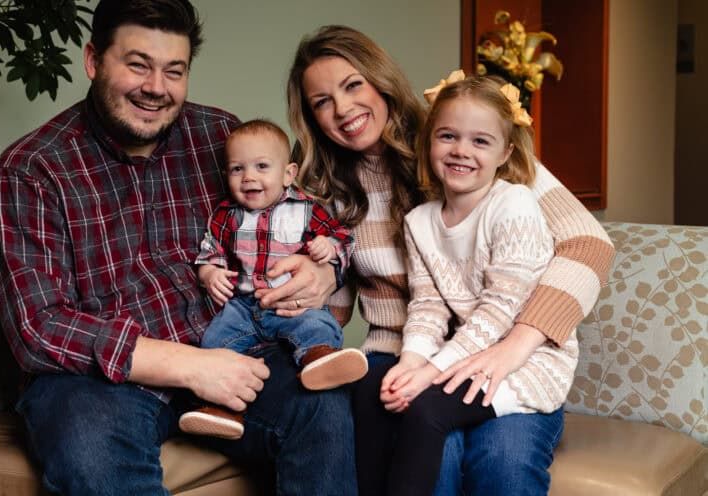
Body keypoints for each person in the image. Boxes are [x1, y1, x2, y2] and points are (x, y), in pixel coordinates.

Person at [0, 2, 356, 495]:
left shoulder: (221, 136)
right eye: (138, 64)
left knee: (322, 406)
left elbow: (301, 218)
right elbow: (38, 327)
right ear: (94, 60)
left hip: (231, 344)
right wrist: (193, 366)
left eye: (174, 71)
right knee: (90, 451)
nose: (156, 87)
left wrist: (326, 273)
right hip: (97, 384)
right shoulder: (32, 169)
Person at [286, 25, 615, 496]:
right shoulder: (326, 191)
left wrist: (516, 345)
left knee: (502, 464)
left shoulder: (465, 139)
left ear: (380, 81)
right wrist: (311, 289)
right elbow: (335, 309)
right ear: (312, 117)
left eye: (353, 85)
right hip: (401, 355)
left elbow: (589, 245)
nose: (342, 109)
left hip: (507, 351)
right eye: (321, 101)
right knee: (428, 457)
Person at [354, 71, 579, 496]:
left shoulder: (513, 204)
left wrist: (431, 373)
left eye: (480, 141)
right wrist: (410, 364)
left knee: (427, 412)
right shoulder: (419, 222)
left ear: (505, 152)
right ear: (429, 143)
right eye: (448, 136)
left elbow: (502, 308)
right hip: (466, 359)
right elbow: (428, 307)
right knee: (379, 393)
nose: (461, 151)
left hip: (525, 366)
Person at [178, 119, 366, 440]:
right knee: (214, 342)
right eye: (237, 169)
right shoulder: (226, 215)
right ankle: (224, 409)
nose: (249, 177)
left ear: (288, 174)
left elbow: (344, 239)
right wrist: (210, 273)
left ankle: (319, 360)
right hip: (243, 307)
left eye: (261, 166)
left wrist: (328, 246)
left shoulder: (306, 210)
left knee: (315, 325)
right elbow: (211, 249)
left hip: (289, 303)